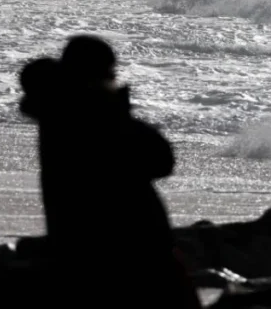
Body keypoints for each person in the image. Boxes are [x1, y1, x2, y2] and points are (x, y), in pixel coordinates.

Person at [19, 35, 200, 307]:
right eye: (110, 72)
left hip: (86, 252)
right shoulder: (91, 114)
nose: (113, 78)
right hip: (127, 254)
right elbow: (159, 160)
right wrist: (117, 111)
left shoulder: (58, 112)